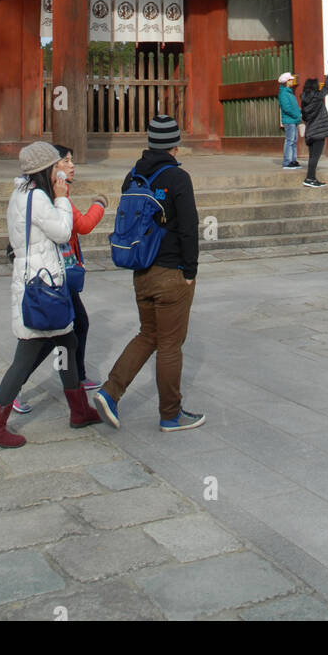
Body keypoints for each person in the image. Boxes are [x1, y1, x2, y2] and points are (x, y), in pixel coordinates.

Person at [94, 114, 204, 433]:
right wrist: (190, 270)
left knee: (148, 335)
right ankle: (171, 414)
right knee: (170, 344)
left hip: (140, 271)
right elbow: (189, 227)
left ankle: (110, 392)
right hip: (171, 272)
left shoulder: (132, 176)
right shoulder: (177, 178)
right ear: (175, 144)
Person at [0, 141, 90, 449]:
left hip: (35, 280)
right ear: (45, 169)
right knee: (25, 358)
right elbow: (63, 232)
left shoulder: (21, 193)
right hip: (43, 286)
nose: (61, 171)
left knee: (68, 340)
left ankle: (79, 411)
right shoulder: (39, 198)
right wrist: (63, 199)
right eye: (57, 166)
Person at [52, 143, 108, 416]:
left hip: (60, 272)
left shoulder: (59, 193)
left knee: (75, 326)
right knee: (48, 338)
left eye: (72, 160)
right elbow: (83, 225)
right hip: (55, 274)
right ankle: (11, 392)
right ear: (53, 167)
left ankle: (77, 379)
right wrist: (100, 204)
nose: (72, 165)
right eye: (65, 161)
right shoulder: (55, 196)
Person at [300, 60, 328, 187]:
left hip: (310, 132)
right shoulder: (318, 97)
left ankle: (312, 178)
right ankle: (309, 179)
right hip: (319, 131)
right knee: (315, 157)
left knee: (312, 156)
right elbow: (326, 87)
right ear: (315, 87)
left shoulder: (304, 100)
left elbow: (304, 116)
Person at [277, 72, 302, 169]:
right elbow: (286, 108)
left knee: (294, 141)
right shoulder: (284, 93)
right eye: (290, 79)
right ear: (286, 82)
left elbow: (293, 107)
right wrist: (297, 114)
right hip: (289, 120)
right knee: (290, 141)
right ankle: (287, 162)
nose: (292, 81)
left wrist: (298, 112)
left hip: (293, 120)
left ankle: (293, 160)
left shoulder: (288, 92)